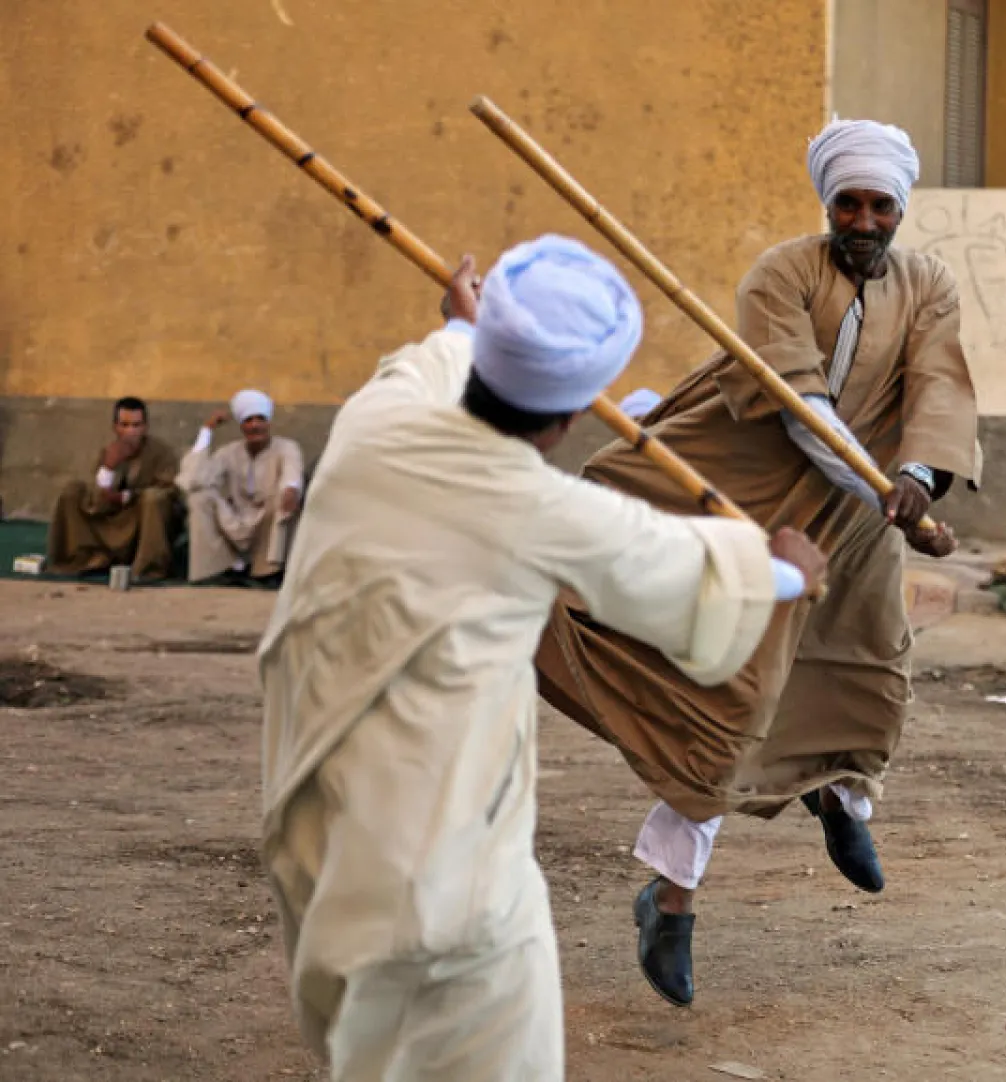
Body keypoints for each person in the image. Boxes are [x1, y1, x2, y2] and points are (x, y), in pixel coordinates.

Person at [256, 235, 828, 1082]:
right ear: (571, 417)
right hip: (441, 874)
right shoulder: (543, 508)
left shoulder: (379, 417)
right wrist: (788, 570)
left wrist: (462, 321)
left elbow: (437, 355)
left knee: (366, 1048)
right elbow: (687, 574)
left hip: (312, 819)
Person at [533, 116, 981, 1006]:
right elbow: (797, 406)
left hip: (858, 523)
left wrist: (918, 479)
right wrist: (876, 485)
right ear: (829, 204)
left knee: (868, 676)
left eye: (879, 205)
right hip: (746, 501)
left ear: (900, 209)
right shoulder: (779, 273)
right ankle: (670, 901)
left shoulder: (928, 284)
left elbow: (937, 382)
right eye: (847, 203)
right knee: (729, 706)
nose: (862, 221)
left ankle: (842, 801)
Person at [176, 389, 305, 583]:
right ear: (241, 426)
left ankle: (269, 571)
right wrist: (207, 431)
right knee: (199, 498)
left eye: (260, 419)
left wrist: (291, 489)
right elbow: (193, 481)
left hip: (268, 520)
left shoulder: (286, 447)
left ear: (268, 422)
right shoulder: (228, 452)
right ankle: (218, 569)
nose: (255, 426)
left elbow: (292, 475)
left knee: (282, 498)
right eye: (248, 420)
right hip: (237, 521)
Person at [45, 396, 180, 581]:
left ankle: (148, 567)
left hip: (141, 521)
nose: (130, 431)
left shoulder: (162, 453)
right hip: (108, 516)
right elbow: (95, 499)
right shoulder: (105, 451)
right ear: (115, 427)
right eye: (124, 425)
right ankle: (87, 557)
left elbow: (169, 492)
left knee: (153, 498)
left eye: (136, 425)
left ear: (145, 427)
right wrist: (108, 467)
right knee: (71, 492)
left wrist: (127, 497)